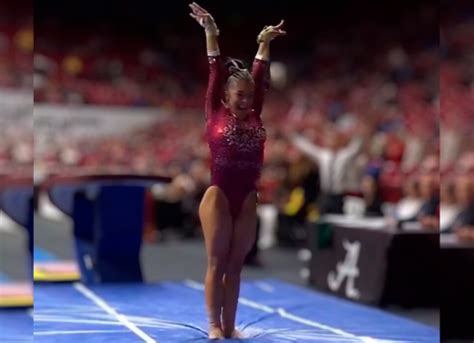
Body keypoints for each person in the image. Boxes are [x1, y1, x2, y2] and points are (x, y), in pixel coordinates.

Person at [189, 2, 285, 339]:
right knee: (217, 264)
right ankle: (213, 324)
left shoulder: (256, 112)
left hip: (246, 197)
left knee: (236, 266)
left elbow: (259, 72)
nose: (245, 101)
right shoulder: (214, 113)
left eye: (249, 96)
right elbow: (215, 68)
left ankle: (230, 326)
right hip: (218, 196)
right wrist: (211, 32)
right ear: (226, 97)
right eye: (239, 96)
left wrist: (265, 42)